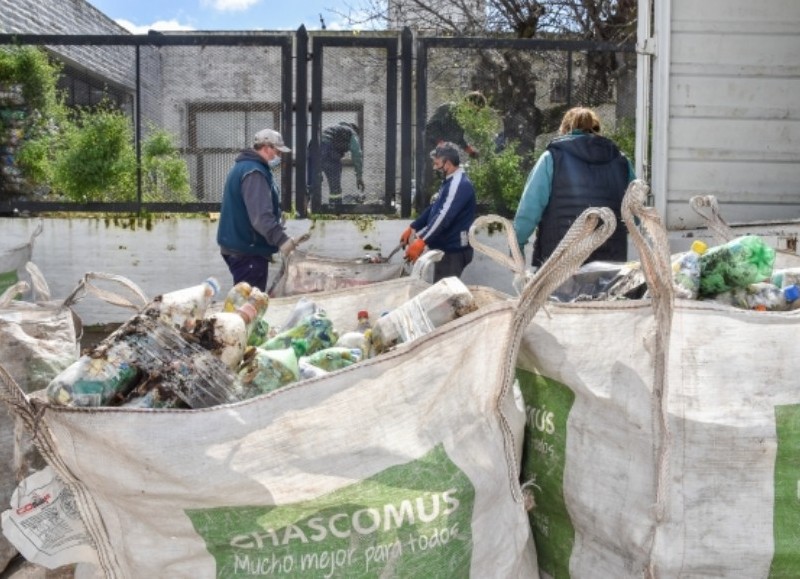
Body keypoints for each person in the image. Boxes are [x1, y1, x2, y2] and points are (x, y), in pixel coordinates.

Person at [513, 107, 635, 268]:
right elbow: (635, 217)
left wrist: (516, 247)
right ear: (597, 130)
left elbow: (529, 210)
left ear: (564, 130)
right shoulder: (622, 162)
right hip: (610, 264)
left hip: (560, 263)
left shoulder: (551, 158)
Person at [217, 128, 299, 292]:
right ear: (267, 147)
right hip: (248, 250)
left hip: (240, 247)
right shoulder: (255, 172)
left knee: (245, 302)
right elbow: (260, 217)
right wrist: (281, 239)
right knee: (249, 307)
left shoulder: (246, 167)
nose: (279, 156)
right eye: (277, 151)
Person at [400, 142, 476, 282]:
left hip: (454, 251)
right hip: (446, 248)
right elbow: (434, 209)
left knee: (443, 297)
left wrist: (422, 240)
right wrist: (414, 226)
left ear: (448, 163)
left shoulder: (458, 184)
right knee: (442, 294)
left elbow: (444, 217)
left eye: (437, 163)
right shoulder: (449, 181)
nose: (435, 167)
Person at [421, 91, 486, 200]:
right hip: (429, 146)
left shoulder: (462, 118)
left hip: (442, 151)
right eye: (477, 109)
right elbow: (431, 127)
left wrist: (470, 151)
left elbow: (458, 138)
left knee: (445, 177)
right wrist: (440, 143)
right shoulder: (448, 108)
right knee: (430, 178)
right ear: (470, 104)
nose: (476, 113)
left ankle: (438, 204)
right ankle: (423, 206)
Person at [310, 121, 365, 206]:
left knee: (314, 181)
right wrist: (359, 176)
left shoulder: (332, 127)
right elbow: (357, 154)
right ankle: (335, 208)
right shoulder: (351, 132)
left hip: (313, 148)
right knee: (335, 186)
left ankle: (309, 206)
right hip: (329, 150)